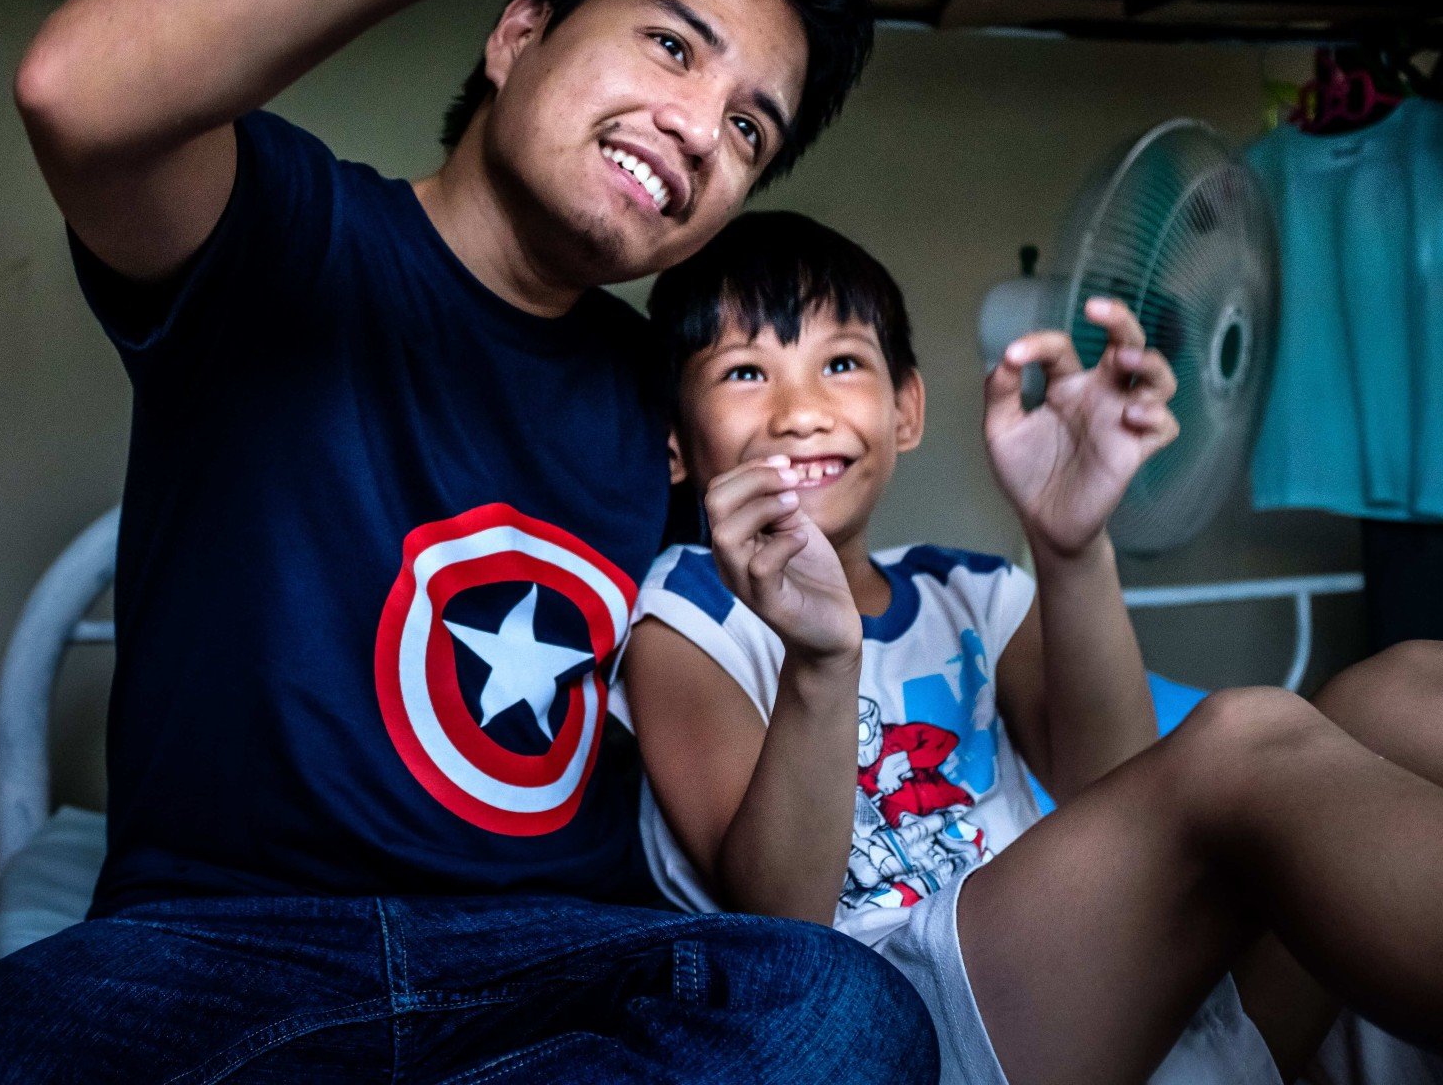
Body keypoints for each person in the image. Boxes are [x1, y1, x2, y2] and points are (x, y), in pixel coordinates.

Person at [0, 0, 1061, 1079]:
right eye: (669, 46)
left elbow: (825, 650)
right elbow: (77, 89)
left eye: (751, 127)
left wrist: (1048, 549)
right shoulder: (286, 243)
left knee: (837, 1007)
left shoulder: (680, 407)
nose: (701, 127)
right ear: (520, 31)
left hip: (553, 967)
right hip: (211, 951)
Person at [617, 210, 1443, 1085]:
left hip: (1113, 991)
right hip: (903, 1020)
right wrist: (824, 661)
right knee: (1245, 737)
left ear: (906, 410)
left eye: (842, 364)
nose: (800, 411)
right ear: (675, 442)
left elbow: (1121, 784)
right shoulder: (685, 613)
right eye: (746, 372)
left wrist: (1071, 547)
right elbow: (783, 925)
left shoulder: (965, 589)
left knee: (1398, 687)